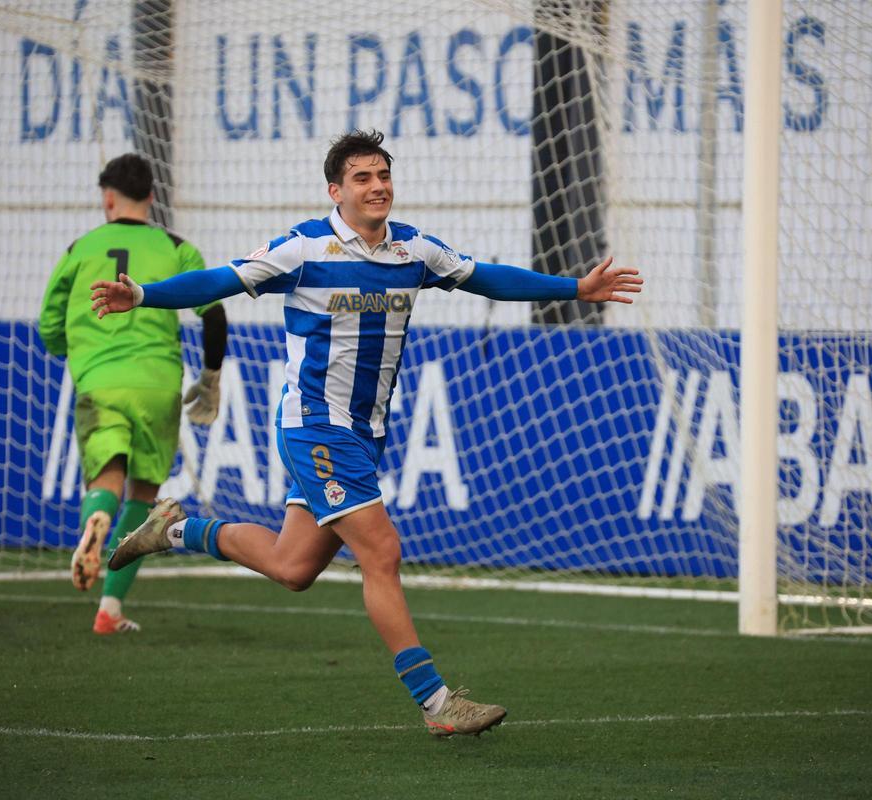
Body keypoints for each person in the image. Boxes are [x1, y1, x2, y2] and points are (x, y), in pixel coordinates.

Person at [89, 130, 642, 733]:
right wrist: (142, 294)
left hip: (363, 432)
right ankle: (437, 704)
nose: (377, 186)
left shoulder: (414, 251)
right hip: (314, 426)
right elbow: (218, 281)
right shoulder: (303, 248)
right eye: (362, 177)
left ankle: (176, 530)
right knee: (381, 550)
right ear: (336, 190)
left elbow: (487, 277)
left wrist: (576, 289)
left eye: (383, 175)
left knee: (293, 567)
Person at [38, 153, 228, 635]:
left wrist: (71, 350)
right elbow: (213, 313)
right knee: (143, 495)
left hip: (100, 380)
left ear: (107, 198)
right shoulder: (177, 246)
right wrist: (210, 378)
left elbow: (49, 325)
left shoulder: (81, 248)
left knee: (106, 476)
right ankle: (110, 610)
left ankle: (95, 522)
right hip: (157, 383)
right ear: (151, 197)